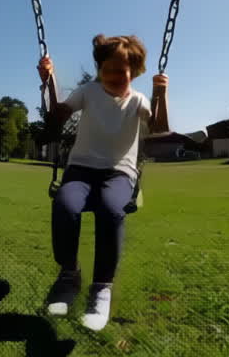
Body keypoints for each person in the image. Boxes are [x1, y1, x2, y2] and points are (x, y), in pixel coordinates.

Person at [36, 34, 168, 331]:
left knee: (112, 210)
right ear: (99, 69)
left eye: (120, 71)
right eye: (106, 70)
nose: (112, 77)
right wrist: (49, 80)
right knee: (66, 205)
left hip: (119, 173)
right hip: (80, 170)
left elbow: (159, 128)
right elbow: (57, 116)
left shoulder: (138, 100)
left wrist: (161, 93)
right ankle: (69, 277)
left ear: (133, 71)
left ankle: (101, 289)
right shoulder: (88, 91)